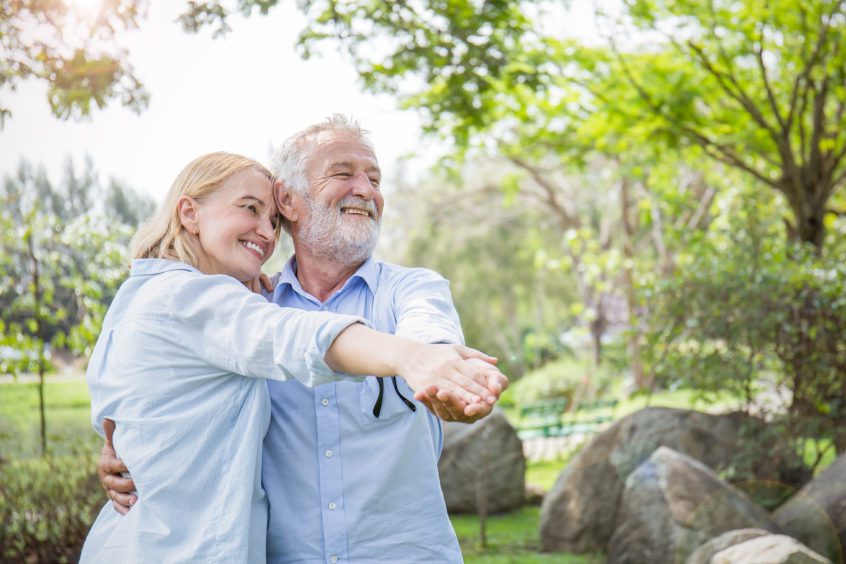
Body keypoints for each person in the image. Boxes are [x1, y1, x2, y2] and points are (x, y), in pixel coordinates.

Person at [100, 117, 509, 562]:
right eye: (342, 173)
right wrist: (118, 446)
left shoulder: (414, 289)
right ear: (291, 201)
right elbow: (138, 389)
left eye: (374, 179)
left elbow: (431, 335)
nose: (366, 190)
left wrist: (442, 367)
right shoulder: (241, 310)